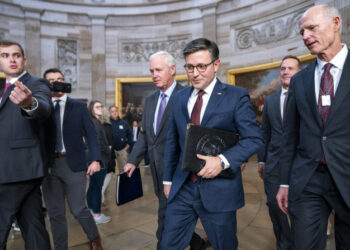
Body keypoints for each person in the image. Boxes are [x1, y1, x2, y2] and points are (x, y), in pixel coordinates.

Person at [161, 38, 263, 250]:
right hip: (182, 188)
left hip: (219, 189)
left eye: (201, 66)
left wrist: (222, 161)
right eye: (190, 67)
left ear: (216, 65)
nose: (195, 73)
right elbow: (173, 142)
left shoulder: (236, 96)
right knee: (168, 244)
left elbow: (254, 138)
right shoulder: (179, 99)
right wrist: (167, 180)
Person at [276, 4, 350, 250]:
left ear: (336, 23)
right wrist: (284, 182)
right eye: (302, 32)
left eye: (312, 28)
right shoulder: (299, 80)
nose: (305, 36)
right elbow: (289, 136)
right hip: (308, 180)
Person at [124, 51, 207, 250]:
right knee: (170, 215)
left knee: (165, 223)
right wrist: (133, 160)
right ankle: (196, 243)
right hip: (156, 170)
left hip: (179, 173)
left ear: (172, 70)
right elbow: (145, 135)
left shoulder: (188, 96)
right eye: (152, 71)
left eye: (158, 70)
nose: (154, 74)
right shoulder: (150, 100)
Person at [41, 68, 103, 250]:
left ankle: (94, 239)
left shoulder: (79, 106)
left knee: (78, 209)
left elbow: (92, 135)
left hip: (73, 164)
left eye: (59, 79)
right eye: (51, 80)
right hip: (49, 167)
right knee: (55, 214)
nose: (56, 83)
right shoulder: (41, 107)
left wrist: (95, 159)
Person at [0, 40, 51, 250]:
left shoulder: (36, 84)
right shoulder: (2, 87)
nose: (11, 59)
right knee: (33, 227)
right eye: (5, 55)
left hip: (16, 170)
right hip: (21, 172)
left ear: (24, 60)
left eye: (16, 55)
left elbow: (43, 108)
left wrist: (30, 104)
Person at [258, 55, 301, 250]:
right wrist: (261, 160)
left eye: (291, 68)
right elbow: (264, 132)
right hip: (274, 163)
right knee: (275, 207)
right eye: (283, 68)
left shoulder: (306, 97)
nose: (286, 71)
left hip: (301, 162)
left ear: (298, 72)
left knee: (300, 209)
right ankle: (284, 244)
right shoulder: (271, 101)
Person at [87, 100, 111, 224]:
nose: (101, 108)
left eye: (101, 106)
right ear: (91, 109)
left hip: (95, 159)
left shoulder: (94, 122)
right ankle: (97, 214)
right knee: (97, 188)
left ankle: (91, 211)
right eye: (97, 107)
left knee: (92, 187)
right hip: (100, 159)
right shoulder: (95, 123)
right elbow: (97, 142)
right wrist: (107, 151)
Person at [109, 105, 132, 173]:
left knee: (124, 170)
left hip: (122, 149)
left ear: (118, 112)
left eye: (116, 111)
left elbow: (130, 134)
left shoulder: (124, 123)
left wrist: (128, 145)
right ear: (109, 113)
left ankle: (123, 183)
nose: (114, 113)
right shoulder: (107, 123)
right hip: (110, 151)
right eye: (112, 111)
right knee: (109, 170)